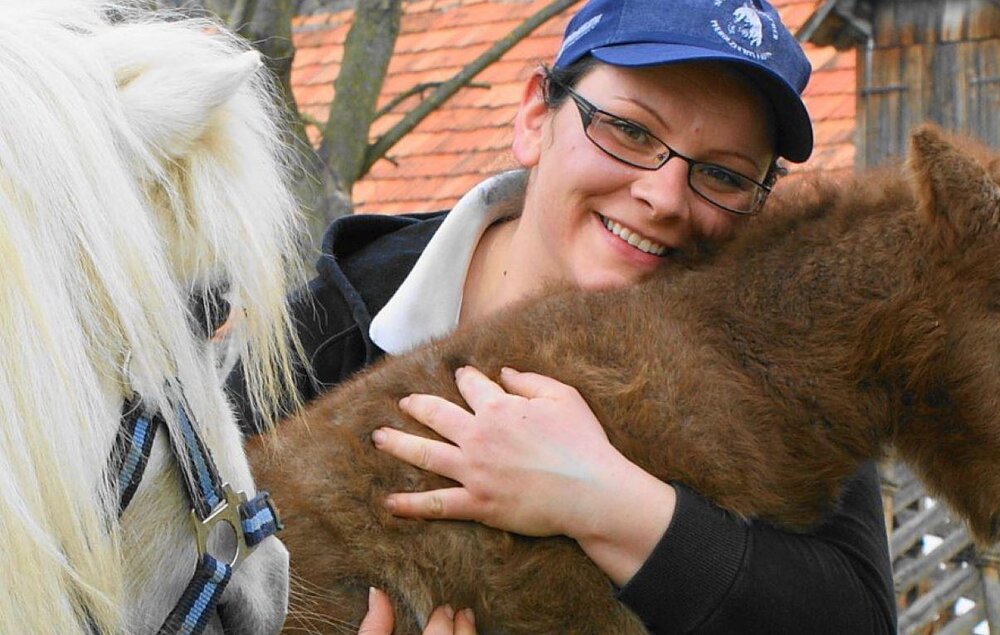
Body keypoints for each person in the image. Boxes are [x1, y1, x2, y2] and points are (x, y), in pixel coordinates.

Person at [231, 0, 897, 632]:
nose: (664, 196)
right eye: (632, 131)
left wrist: (615, 504)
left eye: (723, 175)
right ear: (533, 117)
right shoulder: (305, 334)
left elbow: (854, 614)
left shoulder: (781, 365)